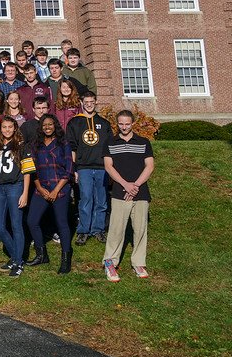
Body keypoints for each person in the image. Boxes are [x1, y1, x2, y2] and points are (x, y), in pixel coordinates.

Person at [102, 110, 155, 282]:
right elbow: (109, 167)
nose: (124, 127)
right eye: (121, 124)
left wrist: (136, 185)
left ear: (132, 123)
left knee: (140, 229)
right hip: (120, 192)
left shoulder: (143, 142)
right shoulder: (110, 142)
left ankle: (138, 262)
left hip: (140, 192)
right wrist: (125, 185)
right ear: (117, 124)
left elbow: (149, 166)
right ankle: (110, 262)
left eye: (127, 124)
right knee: (116, 229)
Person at [0, 116, 34, 277]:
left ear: (14, 128)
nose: (7, 130)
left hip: (15, 186)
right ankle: (16, 256)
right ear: (0, 130)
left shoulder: (21, 147)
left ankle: (18, 262)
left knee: (16, 224)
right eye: (4, 127)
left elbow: (27, 173)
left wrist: (25, 193)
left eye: (10, 127)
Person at [26, 114, 74, 274]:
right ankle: (41, 255)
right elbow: (31, 169)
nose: (47, 127)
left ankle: (66, 258)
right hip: (42, 188)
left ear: (55, 126)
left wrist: (55, 191)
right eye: (44, 125)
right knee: (32, 221)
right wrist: (39, 188)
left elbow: (68, 170)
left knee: (62, 223)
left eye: (50, 124)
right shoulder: (35, 144)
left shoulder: (63, 143)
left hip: (60, 188)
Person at [65, 92, 113, 245]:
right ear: (81, 102)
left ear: (96, 102)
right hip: (83, 167)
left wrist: (110, 169)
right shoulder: (74, 123)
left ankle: (98, 229)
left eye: (92, 101)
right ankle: (83, 230)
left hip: (102, 167)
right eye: (86, 102)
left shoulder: (104, 123)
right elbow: (71, 148)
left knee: (101, 200)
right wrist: (74, 169)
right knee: (85, 198)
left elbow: (110, 148)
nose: (89, 104)